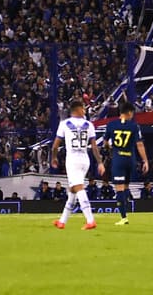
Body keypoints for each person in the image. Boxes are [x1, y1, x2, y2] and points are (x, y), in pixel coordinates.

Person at [51, 98, 105, 230]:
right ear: (78, 110)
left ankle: (90, 220)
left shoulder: (64, 124)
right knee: (72, 190)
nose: (85, 110)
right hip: (85, 159)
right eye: (84, 108)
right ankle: (62, 221)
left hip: (72, 160)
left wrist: (54, 157)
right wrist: (100, 162)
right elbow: (94, 146)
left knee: (78, 187)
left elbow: (55, 145)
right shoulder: (89, 125)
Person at [104, 101, 150, 225]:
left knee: (119, 188)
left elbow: (105, 142)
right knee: (125, 187)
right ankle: (126, 207)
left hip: (118, 160)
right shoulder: (134, 126)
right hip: (130, 160)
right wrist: (145, 161)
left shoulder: (111, 125)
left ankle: (124, 217)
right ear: (129, 113)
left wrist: (109, 148)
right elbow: (139, 144)